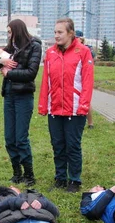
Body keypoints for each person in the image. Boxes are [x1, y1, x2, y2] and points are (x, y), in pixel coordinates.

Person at [39, 18, 94, 193]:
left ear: (70, 33)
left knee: (73, 145)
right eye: (55, 32)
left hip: (75, 109)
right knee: (58, 145)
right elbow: (45, 80)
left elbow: (87, 81)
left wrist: (83, 105)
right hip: (54, 107)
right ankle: (60, 178)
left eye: (60, 32)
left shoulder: (83, 52)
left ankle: (74, 180)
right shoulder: (50, 53)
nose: (56, 35)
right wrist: (43, 104)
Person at [0, 19, 42, 187]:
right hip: (9, 96)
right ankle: (16, 173)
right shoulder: (11, 48)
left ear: (18, 31)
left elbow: (31, 73)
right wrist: (1, 62)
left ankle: (29, 174)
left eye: (10, 32)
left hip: (24, 96)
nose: (9, 35)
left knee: (21, 138)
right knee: (9, 138)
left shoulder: (35, 46)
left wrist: (8, 74)